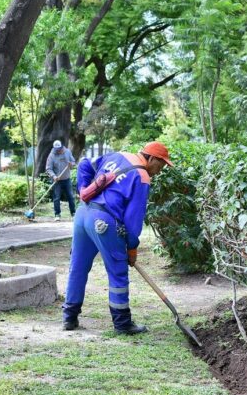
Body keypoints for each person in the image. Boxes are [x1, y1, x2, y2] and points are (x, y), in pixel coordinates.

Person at [62, 141, 173, 335]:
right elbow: (133, 220)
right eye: (161, 165)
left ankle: (69, 317)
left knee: (77, 267)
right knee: (118, 271)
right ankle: (122, 323)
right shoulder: (142, 177)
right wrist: (131, 249)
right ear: (152, 158)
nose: (160, 170)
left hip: (83, 214)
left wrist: (83, 190)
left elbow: (84, 164)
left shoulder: (118, 155)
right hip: (104, 221)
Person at [46, 140, 76, 221]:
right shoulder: (51, 156)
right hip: (57, 181)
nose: (59, 150)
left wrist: (71, 164)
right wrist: (54, 176)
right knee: (56, 198)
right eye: (57, 149)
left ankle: (73, 213)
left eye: (60, 148)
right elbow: (48, 169)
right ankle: (57, 214)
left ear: (62, 146)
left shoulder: (67, 152)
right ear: (54, 149)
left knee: (70, 196)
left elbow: (73, 162)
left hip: (67, 179)